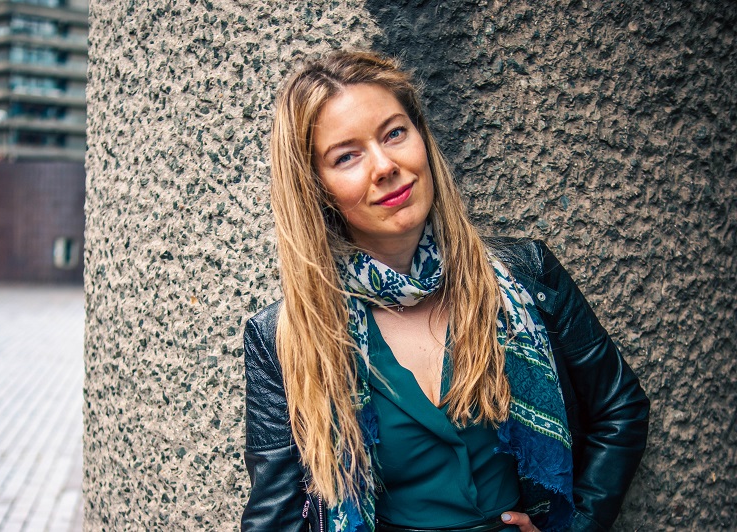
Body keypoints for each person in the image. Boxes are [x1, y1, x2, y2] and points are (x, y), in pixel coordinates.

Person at [242, 51, 649, 532]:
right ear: (315, 187)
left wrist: (576, 527)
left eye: (394, 133)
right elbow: (277, 517)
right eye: (346, 156)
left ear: (422, 139)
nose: (385, 165)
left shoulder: (526, 276)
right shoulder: (284, 337)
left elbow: (619, 409)